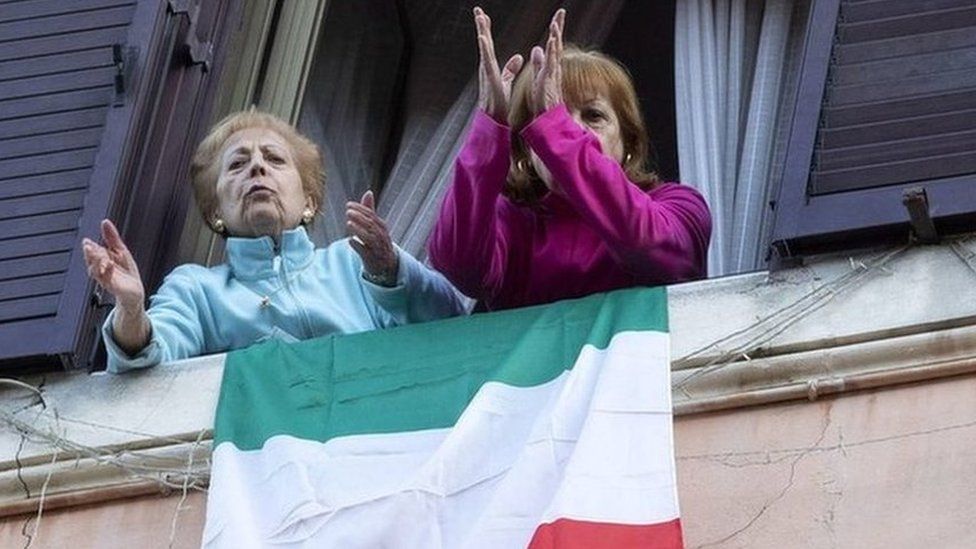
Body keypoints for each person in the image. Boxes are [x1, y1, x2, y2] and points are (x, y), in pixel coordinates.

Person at [83, 110, 466, 373]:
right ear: (216, 210)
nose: (257, 167)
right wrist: (132, 311)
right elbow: (150, 361)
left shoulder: (354, 262)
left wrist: (390, 271)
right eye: (237, 164)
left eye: (275, 159)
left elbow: (450, 326)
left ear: (309, 203)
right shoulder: (197, 289)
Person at [428, 8, 711, 311]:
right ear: (527, 149)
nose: (568, 129)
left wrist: (555, 128)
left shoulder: (681, 205)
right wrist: (489, 129)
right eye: (545, 119)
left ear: (628, 141)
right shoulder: (511, 221)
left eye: (593, 115)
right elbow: (457, 265)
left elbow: (654, 248)